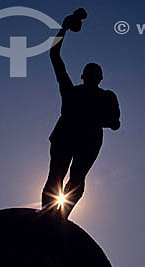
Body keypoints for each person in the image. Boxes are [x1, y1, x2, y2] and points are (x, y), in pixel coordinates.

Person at [42, 23, 121, 220]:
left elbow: (115, 121)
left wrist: (102, 119)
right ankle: (49, 216)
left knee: (76, 179)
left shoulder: (107, 96)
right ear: (84, 76)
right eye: (90, 72)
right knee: (57, 177)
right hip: (67, 136)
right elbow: (54, 56)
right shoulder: (71, 91)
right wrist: (63, 29)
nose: (93, 75)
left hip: (87, 139)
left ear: (100, 77)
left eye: (95, 72)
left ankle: (60, 217)